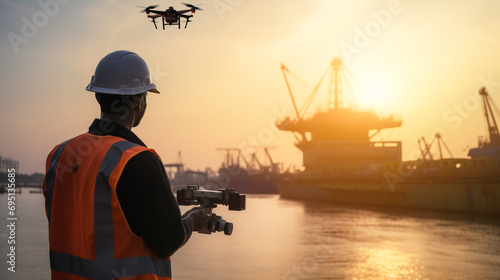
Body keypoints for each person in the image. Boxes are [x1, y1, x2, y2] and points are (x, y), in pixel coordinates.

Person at [42, 50, 208, 280]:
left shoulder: (59, 155)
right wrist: (192, 220)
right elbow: (168, 241)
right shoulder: (138, 161)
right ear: (139, 102)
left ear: (98, 97)